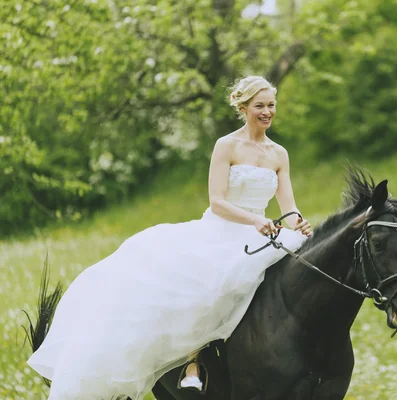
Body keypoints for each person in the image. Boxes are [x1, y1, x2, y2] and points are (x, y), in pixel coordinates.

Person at [27, 75, 312, 400]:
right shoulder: (227, 146)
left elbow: (288, 207)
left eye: (271, 105)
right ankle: (194, 362)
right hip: (224, 229)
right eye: (259, 105)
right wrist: (256, 220)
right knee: (211, 283)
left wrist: (299, 223)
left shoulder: (279, 154)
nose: (267, 111)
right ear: (243, 107)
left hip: (263, 231)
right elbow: (217, 202)